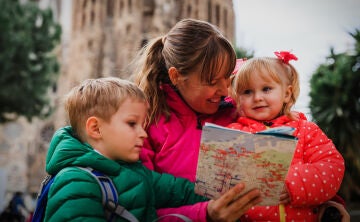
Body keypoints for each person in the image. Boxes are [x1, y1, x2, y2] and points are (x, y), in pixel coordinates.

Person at [43, 77, 261, 221]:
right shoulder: (75, 181)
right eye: (132, 124)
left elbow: (182, 191)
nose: (143, 133)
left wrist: (230, 194)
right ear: (95, 128)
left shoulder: (136, 172)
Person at [130, 18, 261, 221]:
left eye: (227, 76)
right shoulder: (144, 124)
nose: (225, 90)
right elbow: (138, 209)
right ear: (176, 76)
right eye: (211, 82)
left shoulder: (238, 111)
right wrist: (205, 215)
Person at [227, 51, 345, 221]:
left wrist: (293, 184)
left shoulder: (306, 130)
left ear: (287, 94)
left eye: (266, 89)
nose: (257, 97)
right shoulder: (233, 133)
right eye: (247, 92)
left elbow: (332, 167)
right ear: (238, 98)